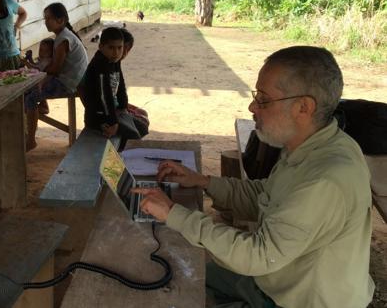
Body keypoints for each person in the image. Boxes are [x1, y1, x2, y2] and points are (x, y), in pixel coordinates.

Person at [134, 46, 375, 308]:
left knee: (178, 280)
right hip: (276, 279)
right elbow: (266, 195)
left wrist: (173, 213)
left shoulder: (325, 180)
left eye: (264, 99)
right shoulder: (313, 145)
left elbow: (257, 255)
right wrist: (203, 182)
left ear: (303, 107)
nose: (252, 106)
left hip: (299, 300)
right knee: (181, 272)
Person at [25, 2, 88, 151]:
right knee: (28, 91)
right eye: (45, 18)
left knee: (29, 97)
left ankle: (31, 139)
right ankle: (36, 110)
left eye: (48, 18)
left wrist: (39, 72)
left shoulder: (63, 39)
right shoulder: (64, 35)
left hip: (69, 83)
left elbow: (55, 69)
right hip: (71, 79)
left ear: (60, 20)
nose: (46, 22)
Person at [82, 27, 143, 148]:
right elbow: (104, 95)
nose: (116, 52)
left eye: (119, 48)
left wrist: (123, 106)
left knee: (141, 125)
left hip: (111, 111)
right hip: (98, 117)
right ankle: (118, 161)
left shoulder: (114, 60)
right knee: (133, 134)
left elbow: (121, 85)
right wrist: (113, 122)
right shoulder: (99, 64)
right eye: (111, 48)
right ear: (101, 47)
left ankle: (121, 156)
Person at [119, 28, 149, 137]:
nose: (123, 53)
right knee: (139, 128)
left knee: (143, 114)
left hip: (117, 107)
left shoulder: (116, 64)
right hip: (110, 112)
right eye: (122, 48)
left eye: (127, 49)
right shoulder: (105, 67)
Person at [24, 38, 55, 115]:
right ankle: (42, 106)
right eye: (41, 50)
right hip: (41, 82)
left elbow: (37, 69)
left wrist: (26, 63)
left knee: (28, 91)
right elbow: (35, 65)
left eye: (46, 51)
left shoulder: (48, 61)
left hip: (45, 83)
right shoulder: (43, 59)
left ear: (52, 52)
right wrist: (30, 58)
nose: (42, 53)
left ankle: (40, 108)